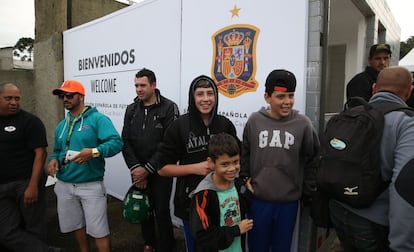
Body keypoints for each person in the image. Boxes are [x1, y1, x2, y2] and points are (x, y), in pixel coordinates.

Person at [140, 75, 238, 252]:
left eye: (210, 93)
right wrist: (196, 168)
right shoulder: (179, 126)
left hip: (224, 202)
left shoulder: (225, 125)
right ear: (192, 98)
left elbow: (237, 161)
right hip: (190, 204)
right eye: (200, 94)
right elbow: (162, 169)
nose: (206, 99)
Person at [329, 66, 414, 252]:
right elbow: (404, 188)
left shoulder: (349, 114)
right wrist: (403, 246)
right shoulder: (407, 124)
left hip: (338, 211)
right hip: (373, 224)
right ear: (409, 91)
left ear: (374, 88)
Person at [240, 69, 320, 251]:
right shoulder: (254, 121)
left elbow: (313, 158)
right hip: (259, 201)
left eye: (291, 96)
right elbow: (245, 152)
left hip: (288, 203)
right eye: (281, 97)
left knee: (282, 248)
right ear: (267, 97)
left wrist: (308, 190)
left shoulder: (303, 124)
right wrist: (244, 178)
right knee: (257, 247)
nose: (287, 102)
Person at [47, 80, 123, 252]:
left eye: (69, 95)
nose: (64, 99)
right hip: (65, 185)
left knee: (99, 230)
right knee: (76, 225)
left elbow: (116, 143)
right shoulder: (62, 125)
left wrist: (94, 152)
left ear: (81, 97)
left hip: (90, 185)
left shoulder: (98, 119)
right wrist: (53, 160)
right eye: (62, 96)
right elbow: (57, 151)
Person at [121, 68, 179, 252]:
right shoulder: (131, 109)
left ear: (154, 85)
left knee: (161, 212)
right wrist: (137, 168)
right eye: (136, 85)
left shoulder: (169, 107)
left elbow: (169, 145)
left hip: (161, 170)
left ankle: (167, 246)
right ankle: (149, 243)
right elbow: (126, 141)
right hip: (138, 171)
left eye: (143, 85)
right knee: (143, 209)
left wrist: (148, 168)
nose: (139, 89)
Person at [0, 83, 57, 252]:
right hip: (2, 188)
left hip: (25, 183)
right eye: (8, 98)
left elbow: (41, 154)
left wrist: (32, 186)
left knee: (35, 228)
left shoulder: (30, 122)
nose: (13, 102)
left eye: (17, 98)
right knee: (6, 232)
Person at [189, 132, 253, 252]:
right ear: (211, 163)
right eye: (225, 164)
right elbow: (201, 234)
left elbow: (241, 207)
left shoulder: (237, 184)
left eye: (235, 162)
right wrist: (236, 230)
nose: (232, 169)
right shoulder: (203, 194)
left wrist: (248, 193)